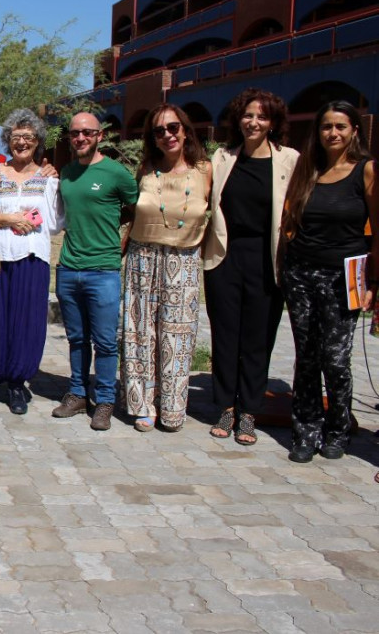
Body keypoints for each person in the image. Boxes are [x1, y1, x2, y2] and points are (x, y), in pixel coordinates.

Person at [280, 102, 378, 463]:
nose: (332, 133)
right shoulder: (309, 170)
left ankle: (337, 429)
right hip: (301, 274)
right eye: (326, 127)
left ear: (354, 130)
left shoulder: (366, 171)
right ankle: (305, 430)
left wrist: (372, 282)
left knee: (335, 359)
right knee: (306, 357)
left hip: (345, 277)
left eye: (340, 126)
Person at [204, 88, 298, 445]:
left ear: (272, 122)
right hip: (225, 256)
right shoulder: (224, 156)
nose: (253, 122)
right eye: (247, 115)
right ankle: (226, 406)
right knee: (225, 335)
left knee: (259, 338)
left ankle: (249, 412)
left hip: (267, 257)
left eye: (261, 116)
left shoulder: (289, 159)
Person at [121, 106, 211, 432]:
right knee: (140, 331)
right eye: (159, 131)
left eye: (173, 127)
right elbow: (131, 213)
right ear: (153, 138)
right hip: (142, 257)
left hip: (183, 260)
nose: (168, 135)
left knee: (177, 335)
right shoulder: (146, 170)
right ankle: (143, 404)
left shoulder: (205, 170)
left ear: (185, 130)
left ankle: (172, 407)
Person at [0, 109, 63, 414]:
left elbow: (55, 221)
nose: (21, 142)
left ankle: (18, 384)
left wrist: (28, 219)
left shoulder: (48, 179)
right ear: (7, 140)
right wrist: (10, 218)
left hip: (32, 259)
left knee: (27, 322)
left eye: (28, 137)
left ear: (38, 142)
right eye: (16, 136)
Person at [53, 112, 138, 431]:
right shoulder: (66, 172)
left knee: (104, 341)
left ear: (100, 135)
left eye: (87, 132)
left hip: (103, 270)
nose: (80, 138)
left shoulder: (117, 173)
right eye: (74, 133)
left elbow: (134, 210)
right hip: (69, 267)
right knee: (77, 338)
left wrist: (122, 244)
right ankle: (77, 393)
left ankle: (104, 400)